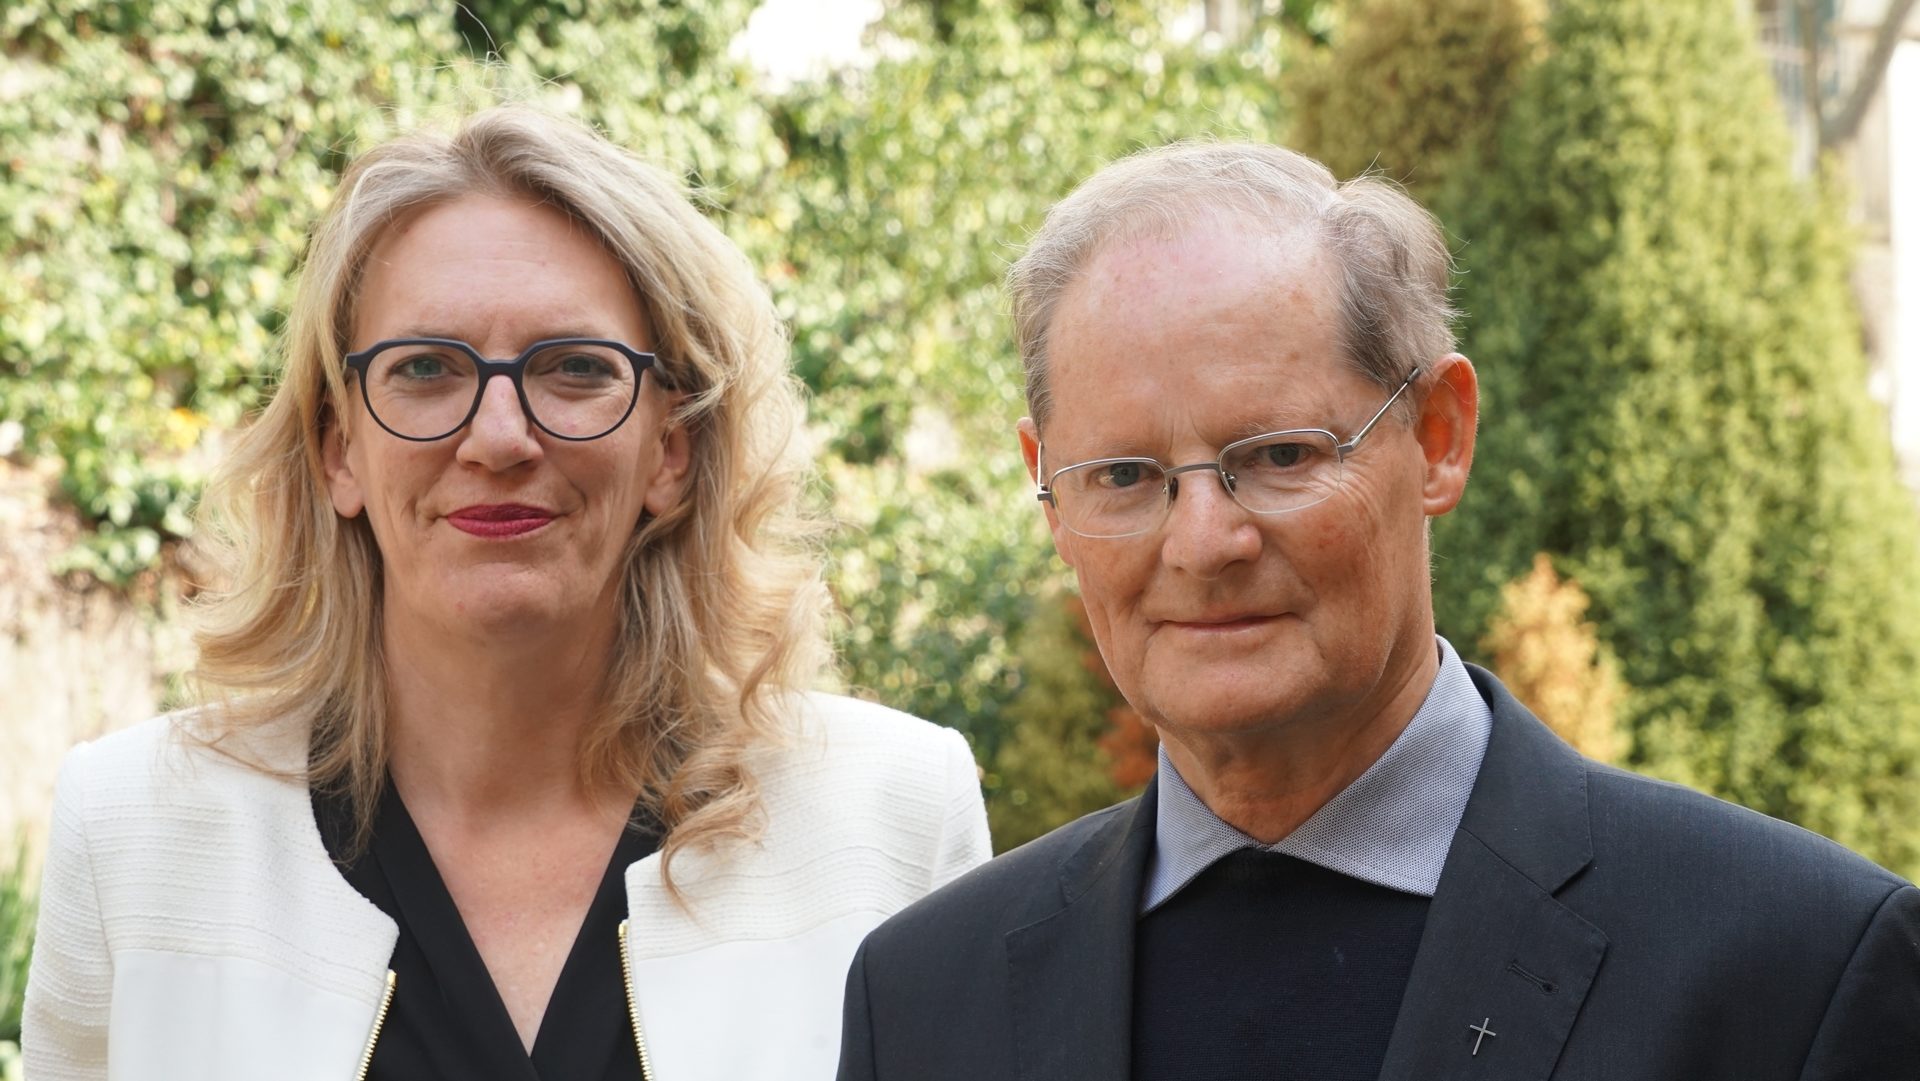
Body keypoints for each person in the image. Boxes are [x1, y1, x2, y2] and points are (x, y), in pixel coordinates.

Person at [836, 142, 1920, 1081]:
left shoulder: (1792, 964)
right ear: (1046, 487)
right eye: (1123, 474)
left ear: (1440, 434)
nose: (1205, 542)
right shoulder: (927, 999)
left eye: (1279, 455)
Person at [23, 105, 990, 1081]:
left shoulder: (890, 817)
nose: (497, 437)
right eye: (425, 369)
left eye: (574, 369)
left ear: (672, 449)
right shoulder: (137, 833)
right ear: (337, 451)